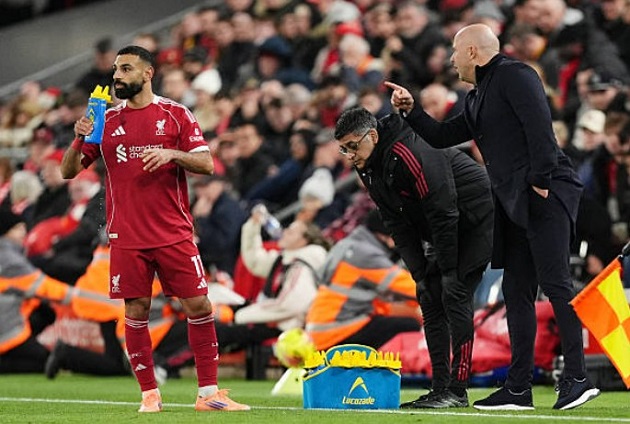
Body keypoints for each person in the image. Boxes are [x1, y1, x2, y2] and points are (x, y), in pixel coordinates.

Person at [385, 23, 600, 411]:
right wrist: (412, 111)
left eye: (455, 52)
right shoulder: (476, 96)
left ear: (472, 51)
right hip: (512, 200)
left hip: (542, 193)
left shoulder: (516, 75)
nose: (451, 60)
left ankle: (577, 378)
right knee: (516, 291)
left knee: (556, 284)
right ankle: (518, 388)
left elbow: (540, 128)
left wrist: (540, 182)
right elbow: (442, 136)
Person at [60, 45, 249, 413]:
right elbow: (69, 171)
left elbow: (207, 164)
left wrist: (172, 154)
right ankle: (149, 395)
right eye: (116, 69)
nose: (117, 76)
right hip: (126, 234)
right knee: (136, 309)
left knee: (199, 304)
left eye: (126, 69)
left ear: (148, 73)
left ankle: (208, 394)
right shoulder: (105, 120)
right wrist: (80, 137)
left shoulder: (176, 115)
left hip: (173, 231)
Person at [334, 107, 494, 409]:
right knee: (429, 296)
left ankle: (457, 390)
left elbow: (444, 210)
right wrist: (419, 273)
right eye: (344, 148)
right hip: (442, 224)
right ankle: (440, 387)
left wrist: (448, 268)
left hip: (475, 218)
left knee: (454, 292)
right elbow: (394, 221)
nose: (350, 155)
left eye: (353, 146)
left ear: (373, 136)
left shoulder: (408, 151)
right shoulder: (367, 164)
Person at [305, 208, 421, 351]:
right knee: (410, 325)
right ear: (385, 234)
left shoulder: (349, 245)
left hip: (320, 329)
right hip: (337, 331)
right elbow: (410, 287)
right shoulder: (367, 256)